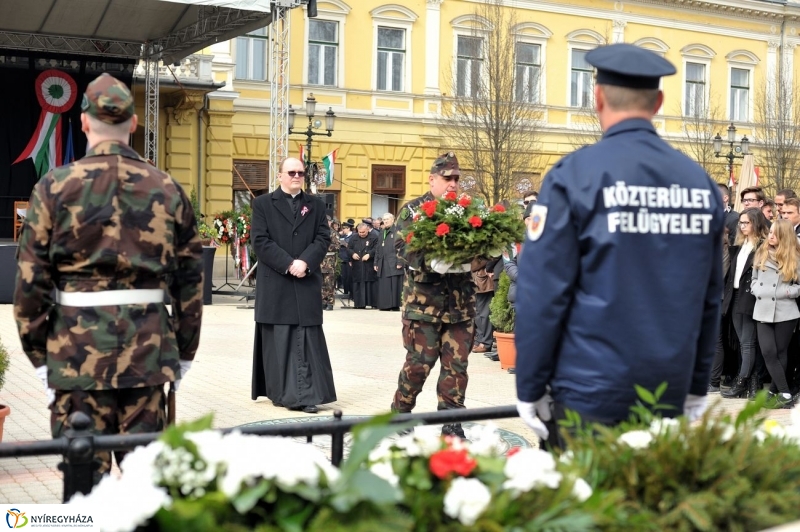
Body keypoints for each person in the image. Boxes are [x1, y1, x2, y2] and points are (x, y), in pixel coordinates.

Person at [514, 44, 723, 448]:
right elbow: (709, 296)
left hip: (590, 387)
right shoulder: (698, 182)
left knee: (584, 488)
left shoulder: (574, 175)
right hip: (667, 386)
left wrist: (530, 383)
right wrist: (697, 382)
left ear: (597, 98)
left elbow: (543, 292)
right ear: (658, 102)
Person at [13, 73, 203, 485]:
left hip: (75, 358)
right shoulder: (168, 189)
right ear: (133, 123)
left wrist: (41, 359)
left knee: (85, 488)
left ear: (83, 122)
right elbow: (190, 283)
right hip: (148, 358)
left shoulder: (54, 187)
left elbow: (30, 285)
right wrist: (184, 352)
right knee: (146, 489)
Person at [390, 152, 478, 439]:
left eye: (456, 178)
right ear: (432, 179)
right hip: (423, 307)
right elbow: (402, 248)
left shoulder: (467, 212)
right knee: (419, 364)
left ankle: (452, 423)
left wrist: (475, 259)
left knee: (456, 368)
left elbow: (483, 245)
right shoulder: (413, 211)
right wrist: (431, 262)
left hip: (460, 306)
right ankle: (400, 413)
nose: (453, 183)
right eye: (447, 178)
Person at [251, 157, 336, 414]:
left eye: (300, 172)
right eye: (291, 172)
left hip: (305, 282)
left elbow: (323, 237)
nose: (297, 176)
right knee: (279, 340)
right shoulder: (263, 204)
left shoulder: (315, 205)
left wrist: (305, 262)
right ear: (280, 176)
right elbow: (260, 241)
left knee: (305, 339)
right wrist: (289, 264)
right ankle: (280, 393)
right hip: (277, 283)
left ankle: (305, 395)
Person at [720, 208, 770, 399]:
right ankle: (751, 382)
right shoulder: (741, 244)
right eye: (741, 222)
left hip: (750, 297)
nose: (742, 226)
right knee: (743, 342)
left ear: (756, 223)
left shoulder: (763, 245)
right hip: (734, 295)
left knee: (748, 343)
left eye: (746, 222)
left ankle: (742, 382)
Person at [751, 219, 800, 408]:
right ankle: (785, 393)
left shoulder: (794, 257)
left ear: (784, 236)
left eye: (775, 233)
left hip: (785, 310)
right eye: (770, 232)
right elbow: (754, 279)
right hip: (762, 308)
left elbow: (798, 286)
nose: (770, 236)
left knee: (780, 353)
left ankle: (773, 391)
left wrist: (786, 292)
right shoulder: (761, 252)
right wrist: (757, 289)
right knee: (768, 352)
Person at [374, 213, 403, 311]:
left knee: (394, 284)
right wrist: (376, 262)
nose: (385, 221)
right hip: (382, 262)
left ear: (393, 220)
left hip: (393, 261)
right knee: (384, 285)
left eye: (387, 219)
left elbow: (402, 248)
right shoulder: (382, 232)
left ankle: (394, 305)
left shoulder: (397, 231)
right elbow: (378, 248)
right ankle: (384, 305)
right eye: (384, 219)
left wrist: (400, 261)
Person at [348, 222, 379, 308]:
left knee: (370, 283)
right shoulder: (353, 237)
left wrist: (369, 254)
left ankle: (373, 303)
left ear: (367, 230)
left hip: (369, 264)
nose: (361, 234)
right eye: (360, 232)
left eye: (363, 232)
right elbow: (349, 248)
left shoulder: (374, 237)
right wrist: (352, 254)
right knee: (358, 283)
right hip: (357, 264)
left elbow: (377, 248)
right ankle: (359, 304)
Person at [321, 215, 340, 311]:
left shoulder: (333, 233)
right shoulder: (319, 232)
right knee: (321, 283)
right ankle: (323, 301)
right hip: (319, 261)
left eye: (327, 221)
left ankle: (330, 302)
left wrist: (323, 246)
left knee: (329, 283)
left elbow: (337, 246)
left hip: (329, 261)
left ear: (330, 222)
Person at [337, 221, 354, 297]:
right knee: (344, 276)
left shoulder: (353, 236)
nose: (343, 230)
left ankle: (351, 292)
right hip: (342, 258)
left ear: (348, 228)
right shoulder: (342, 236)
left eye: (344, 228)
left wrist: (346, 244)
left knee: (349, 276)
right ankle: (346, 292)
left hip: (349, 259)